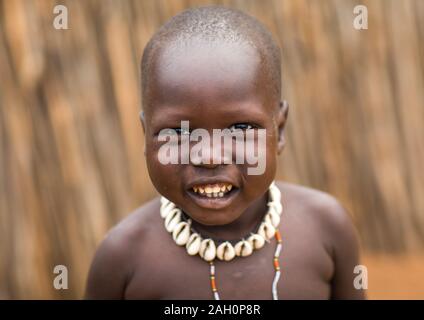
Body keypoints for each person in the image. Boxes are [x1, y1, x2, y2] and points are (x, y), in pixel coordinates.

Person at [85, 6, 365, 300]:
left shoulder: (326, 228)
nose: (209, 156)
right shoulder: (123, 259)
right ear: (147, 135)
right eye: (178, 133)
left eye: (240, 129)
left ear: (279, 130)